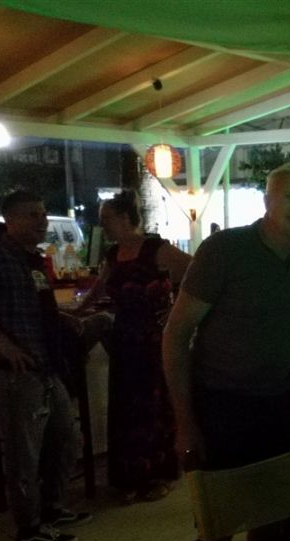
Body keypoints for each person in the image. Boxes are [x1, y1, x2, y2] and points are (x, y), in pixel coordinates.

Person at [162, 162, 290, 541]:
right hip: (222, 407)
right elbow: (176, 335)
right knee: (216, 532)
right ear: (268, 201)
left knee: (272, 525)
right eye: (289, 196)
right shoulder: (224, 250)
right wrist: (185, 422)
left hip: (280, 406)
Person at [0, 190, 90, 541]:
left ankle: (53, 508)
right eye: (32, 215)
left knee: (65, 438)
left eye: (42, 214)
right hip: (15, 371)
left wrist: (63, 318)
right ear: (10, 221)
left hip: (46, 365)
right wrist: (3, 344)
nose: (41, 221)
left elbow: (34, 307)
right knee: (23, 452)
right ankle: (29, 528)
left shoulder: (35, 261)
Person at [78, 191, 191, 502]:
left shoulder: (155, 248)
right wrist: (78, 311)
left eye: (106, 219)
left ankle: (157, 474)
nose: (103, 225)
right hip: (125, 338)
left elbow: (196, 272)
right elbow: (100, 287)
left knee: (152, 406)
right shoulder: (113, 254)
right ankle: (131, 475)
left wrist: (176, 308)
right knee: (127, 408)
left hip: (152, 338)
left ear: (126, 218)